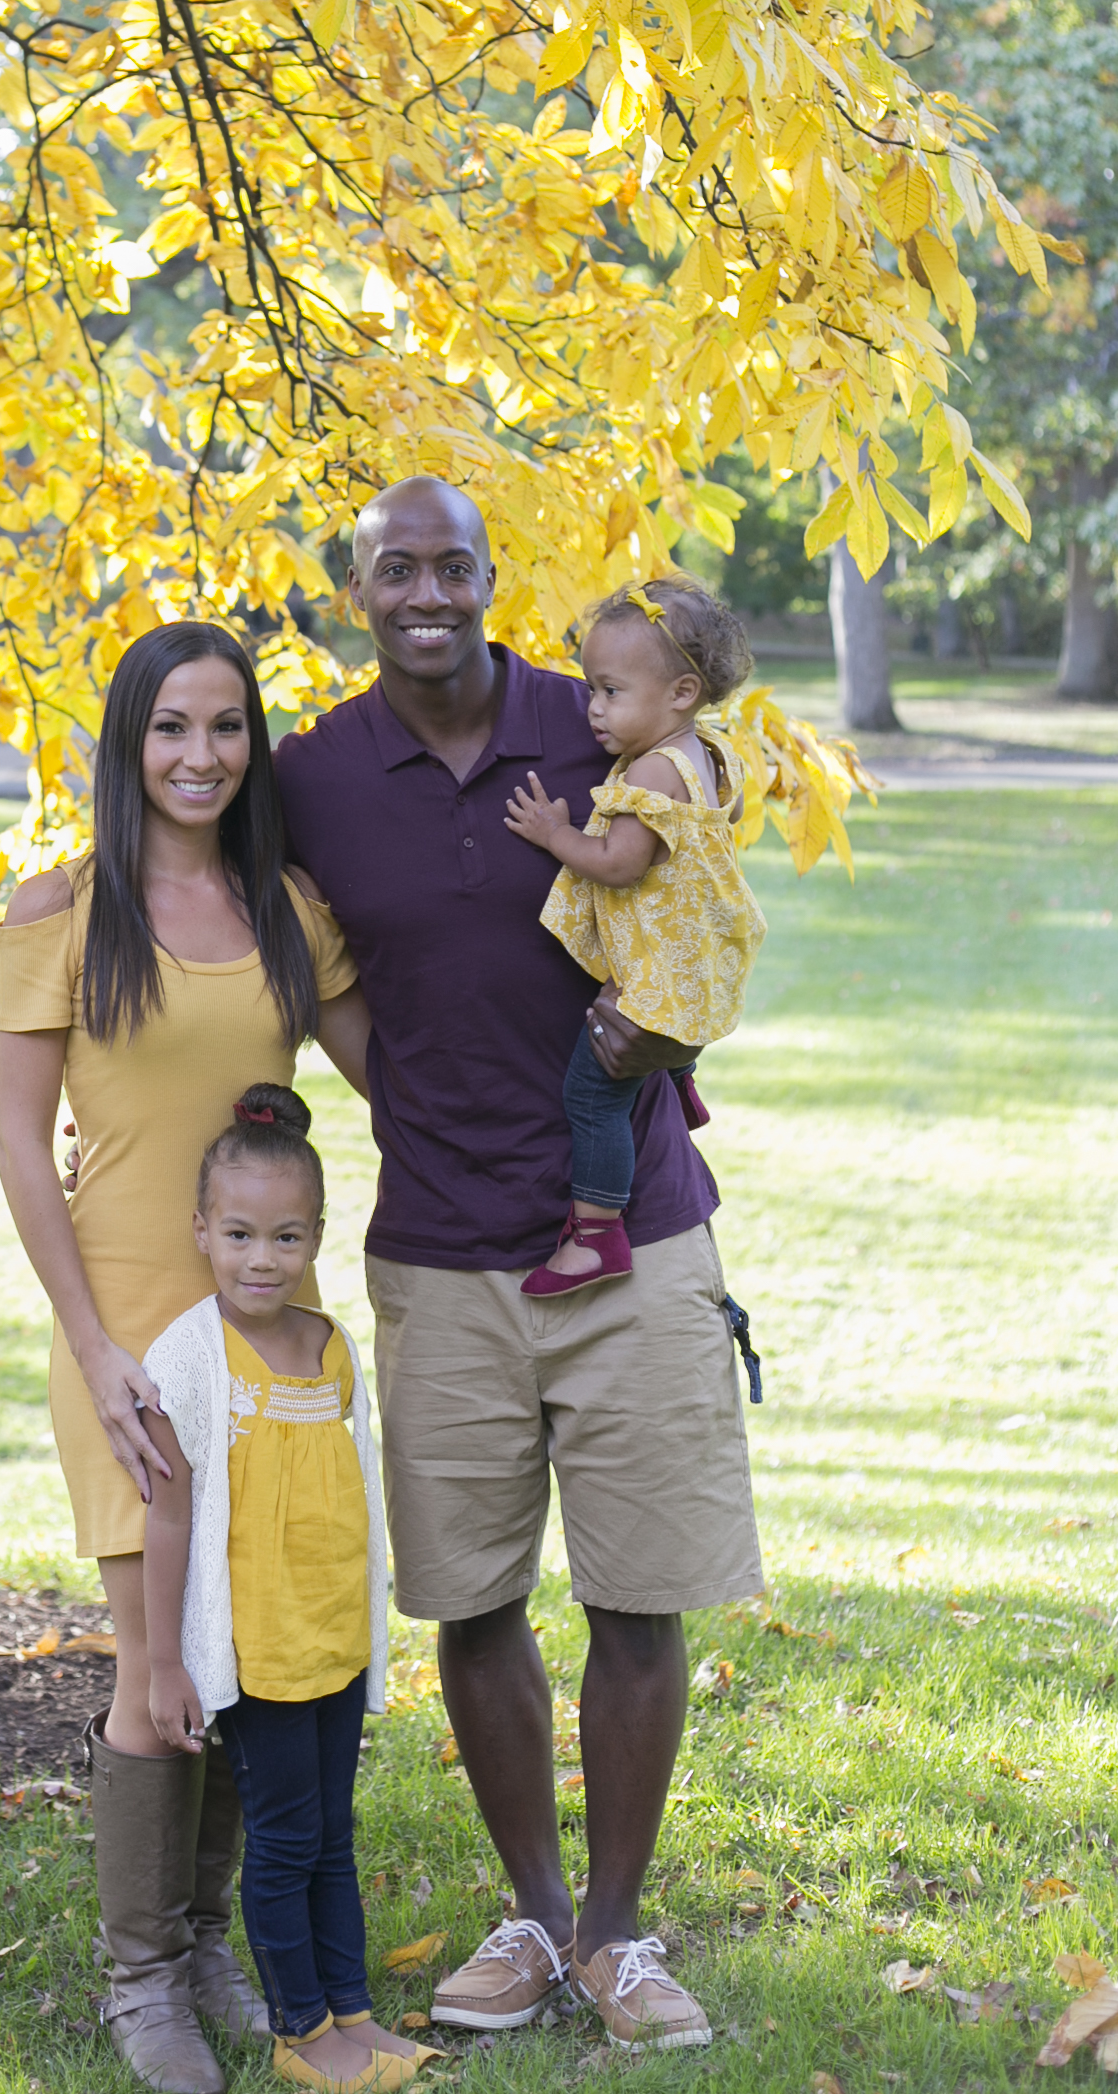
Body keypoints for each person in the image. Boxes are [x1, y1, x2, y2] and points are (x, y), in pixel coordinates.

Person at [275, 477, 764, 2055]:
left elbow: (706, 842)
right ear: (358, 592)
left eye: (454, 562)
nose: (426, 587)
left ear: (493, 578)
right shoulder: (316, 775)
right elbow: (238, 917)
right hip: (440, 1252)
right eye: (392, 566)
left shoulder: (602, 718)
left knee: (641, 1596)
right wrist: (382, 1078)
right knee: (472, 1600)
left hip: (637, 1239)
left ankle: (620, 1936)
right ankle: (538, 1916)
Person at [0, 622, 372, 2094]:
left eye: (226, 727)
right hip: (135, 1345)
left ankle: (212, 1936)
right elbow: (24, 1144)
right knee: (156, 1669)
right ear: (126, 743)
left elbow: (400, 1068)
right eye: (170, 728)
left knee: (249, 1656)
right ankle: (143, 1977)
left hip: (267, 1343)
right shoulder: (62, 912)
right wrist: (94, 1350)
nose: (200, 755)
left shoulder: (288, 908)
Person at [138, 1083, 440, 2094]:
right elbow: (169, 1516)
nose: (260, 1259)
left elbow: (349, 1511)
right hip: (257, 1654)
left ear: (314, 1237)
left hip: (331, 1646)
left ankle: (351, 2011)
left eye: (284, 1237)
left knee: (334, 1837)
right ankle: (300, 2031)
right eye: (237, 1234)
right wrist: (167, 1663)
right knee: (282, 1840)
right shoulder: (189, 1356)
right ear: (200, 1229)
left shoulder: (329, 1347)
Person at [503, 575, 767, 1295]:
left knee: (592, 1094)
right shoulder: (708, 755)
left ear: (681, 692)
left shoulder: (651, 771)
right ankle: (679, 1080)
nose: (592, 709)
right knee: (660, 1036)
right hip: (700, 951)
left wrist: (555, 832)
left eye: (611, 692)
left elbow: (619, 865)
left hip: (659, 968)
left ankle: (596, 1235)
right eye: (591, 689)